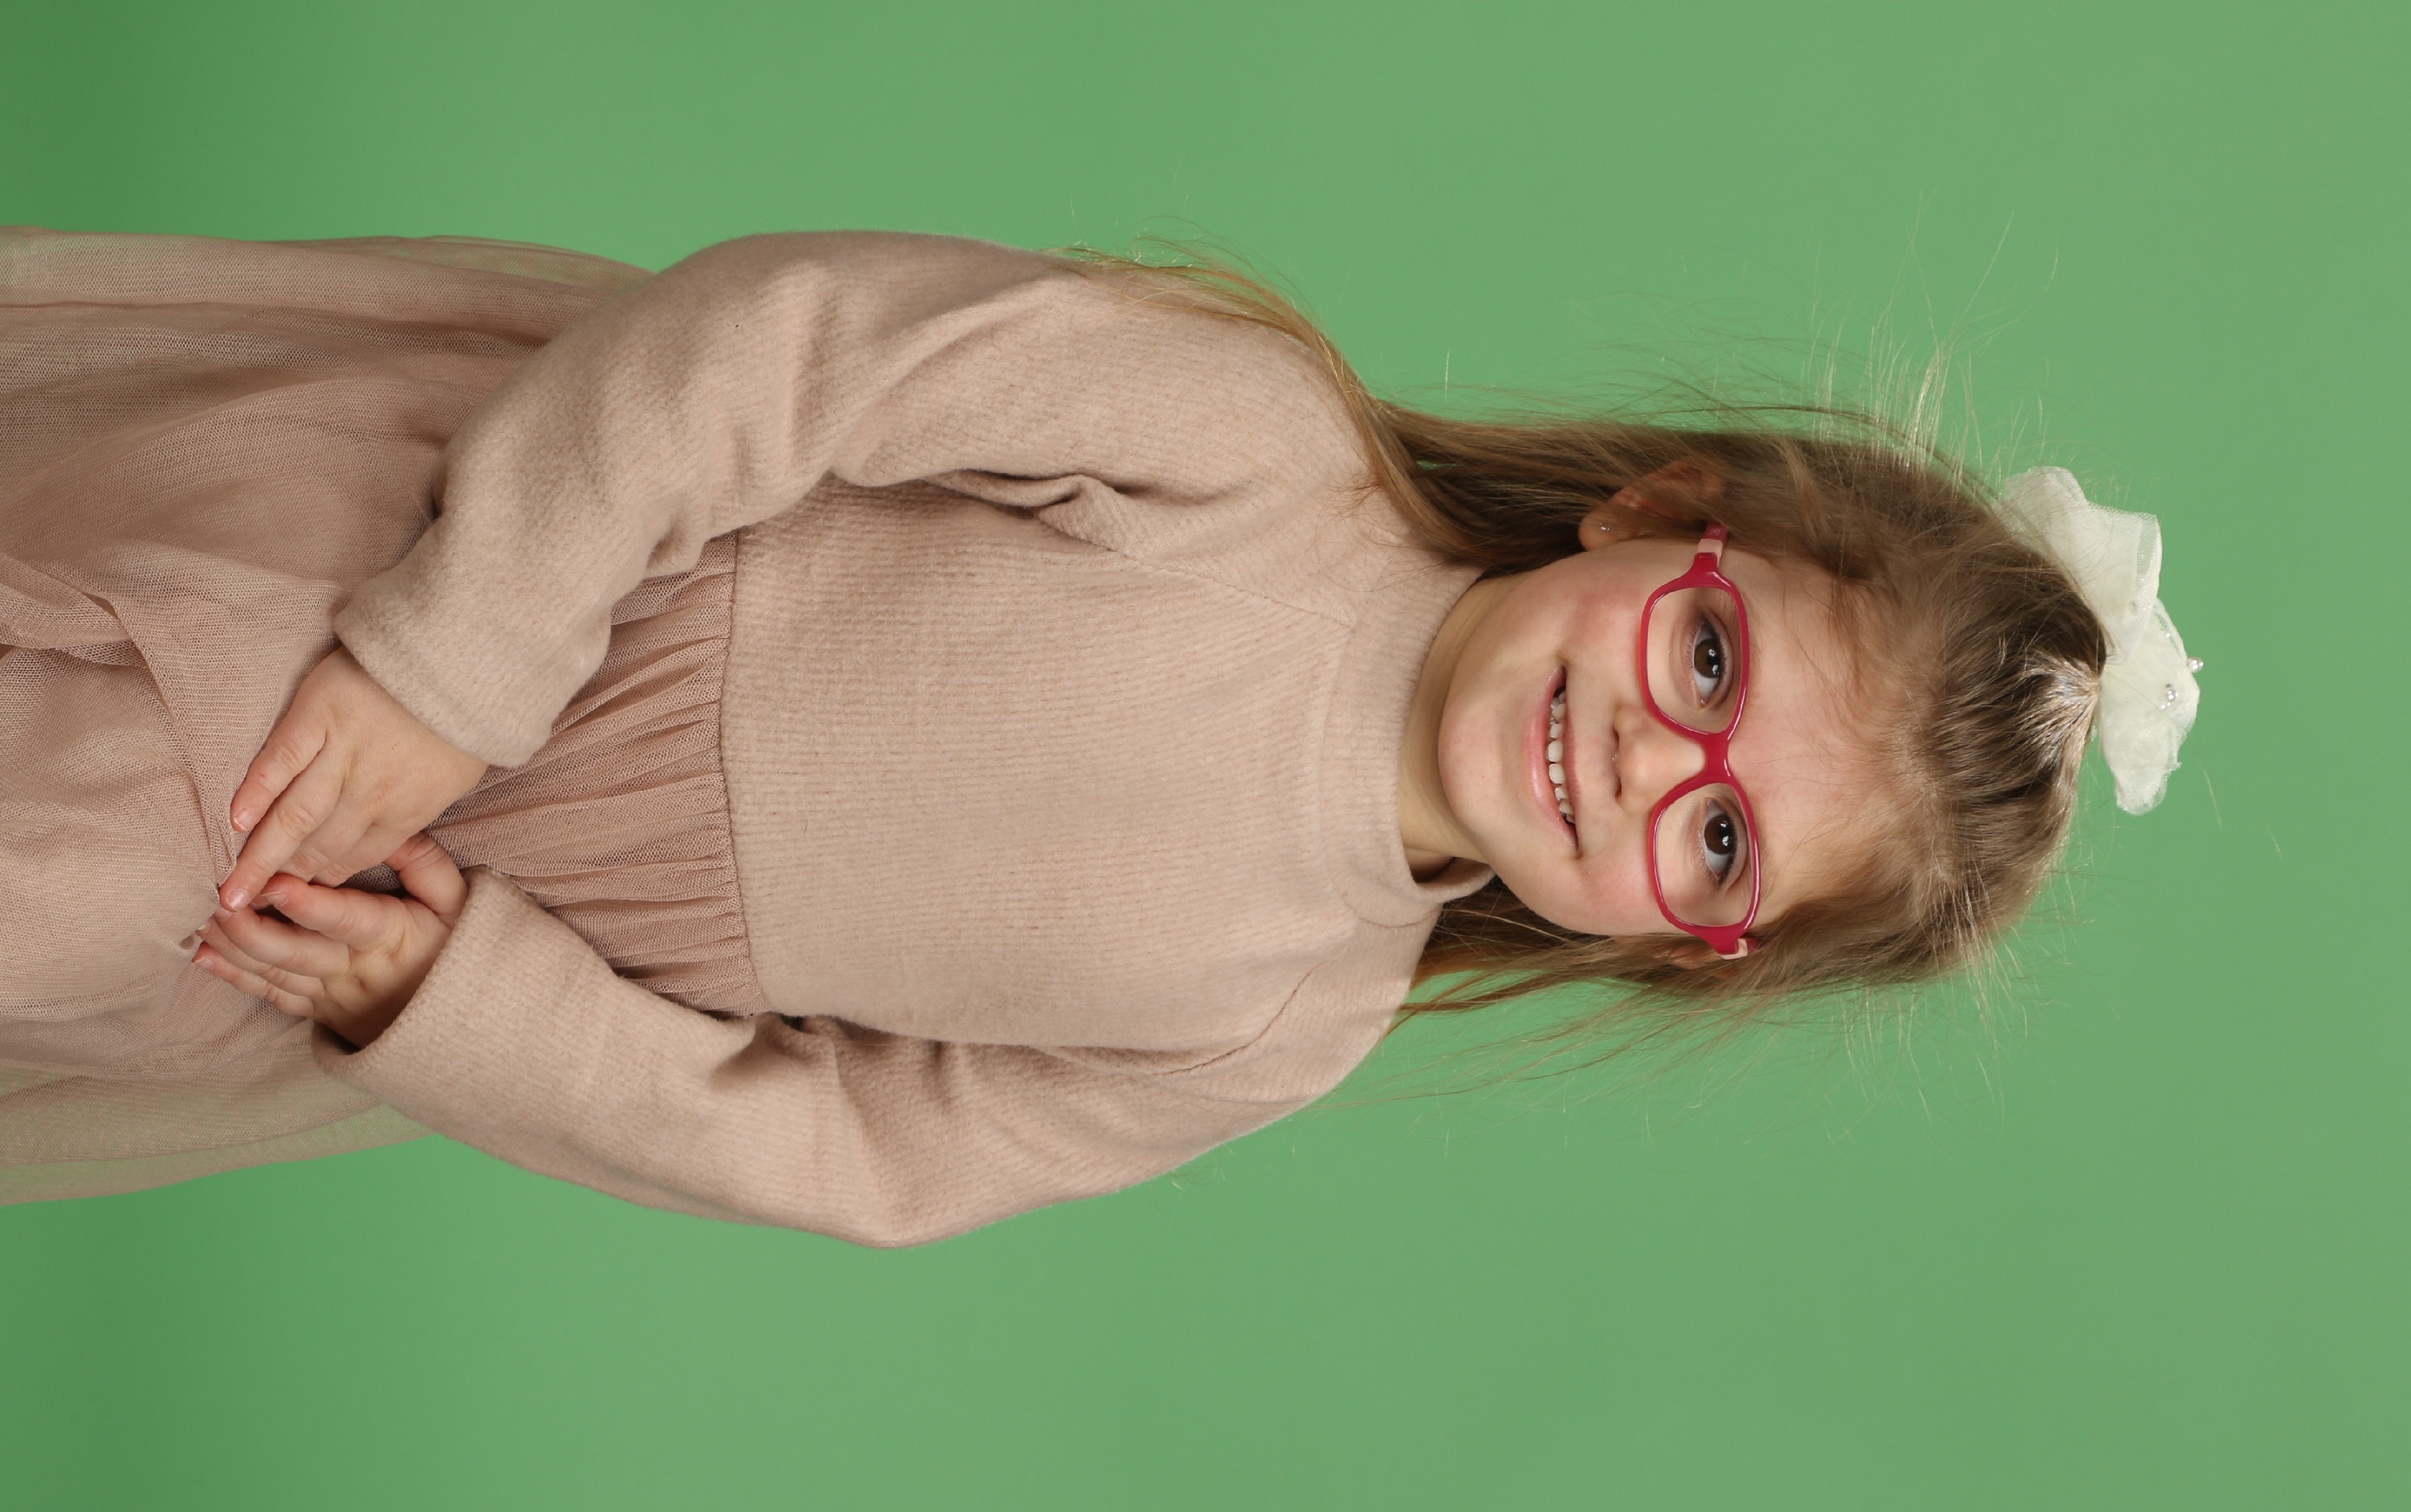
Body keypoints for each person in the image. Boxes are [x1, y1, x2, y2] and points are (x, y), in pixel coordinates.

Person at [0, 226, 2199, 1239]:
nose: (1646, 763)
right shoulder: (1250, 449)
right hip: (418, 575)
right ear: (1657, 516)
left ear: (1686, 945)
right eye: (1707, 666)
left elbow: (860, 1158)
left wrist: (466, 1006)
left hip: (398, 919)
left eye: (1720, 846)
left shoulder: (1278, 1023)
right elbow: (778, 353)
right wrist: (451, 661)